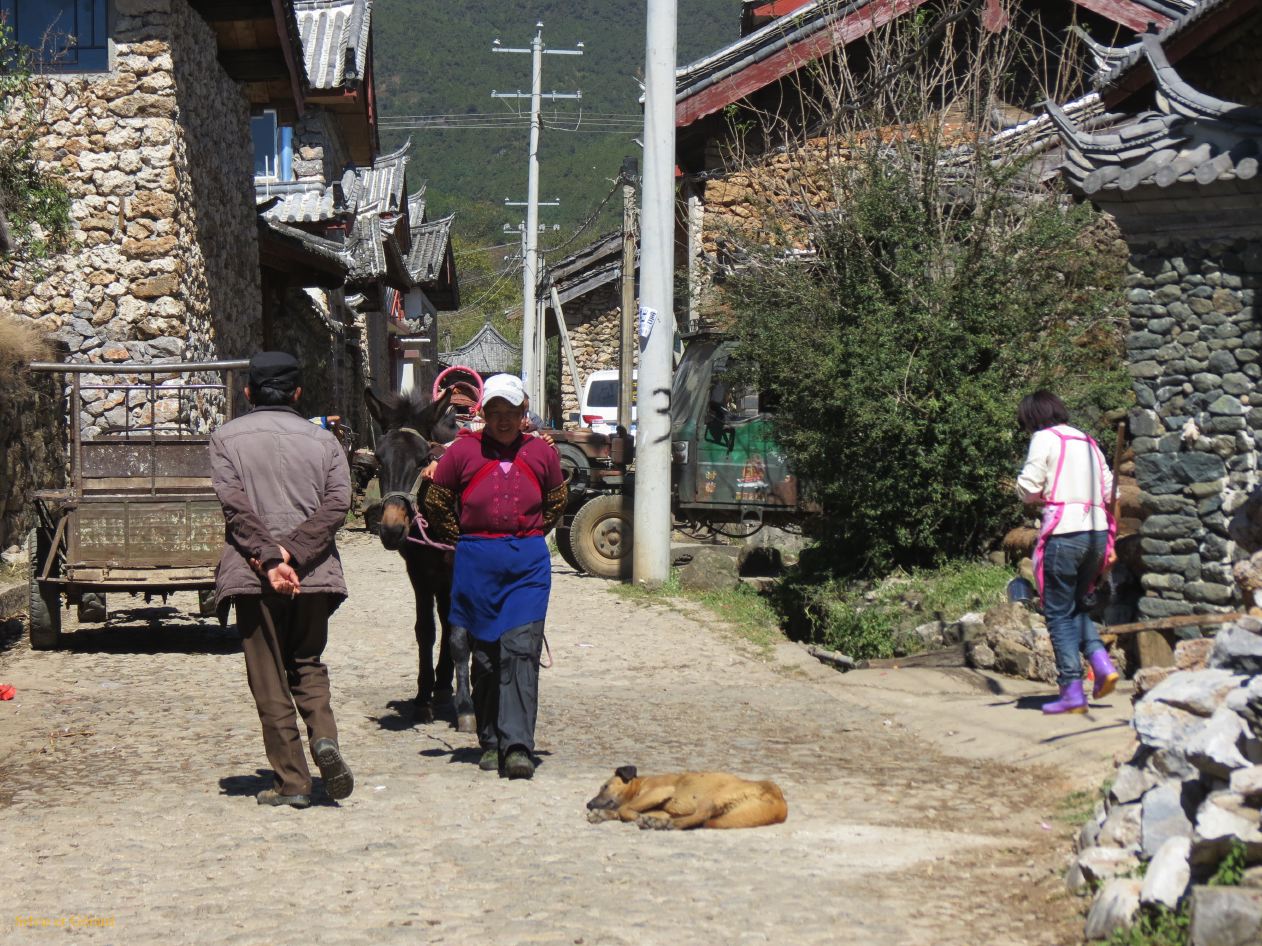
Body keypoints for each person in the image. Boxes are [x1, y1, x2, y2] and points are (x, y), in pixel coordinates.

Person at [210, 352, 355, 808]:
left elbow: (235, 507)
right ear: (297, 394)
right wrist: (294, 551)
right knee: (308, 662)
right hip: (314, 574)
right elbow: (337, 505)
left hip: (256, 577)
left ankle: (292, 781)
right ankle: (324, 740)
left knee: (269, 677)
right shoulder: (326, 443)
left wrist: (271, 558)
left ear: (248, 392)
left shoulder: (226, 438)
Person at [423, 373, 567, 779]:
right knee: (484, 655)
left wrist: (529, 533)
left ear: (524, 414)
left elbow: (556, 499)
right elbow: (436, 502)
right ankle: (489, 740)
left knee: (521, 651)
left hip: (527, 566)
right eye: (494, 412)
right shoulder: (463, 453)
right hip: (476, 565)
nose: (503, 420)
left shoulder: (541, 453)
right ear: (483, 414)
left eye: (511, 412)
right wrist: (465, 539)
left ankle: (518, 745)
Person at [1015, 390, 1119, 715]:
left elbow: (1030, 489)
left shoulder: (1044, 438)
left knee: (1058, 612)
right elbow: (1108, 488)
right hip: (1097, 534)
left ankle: (1072, 689)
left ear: (1033, 418)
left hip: (1064, 533)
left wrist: (1023, 489)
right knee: (1076, 605)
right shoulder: (1088, 440)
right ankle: (1101, 663)